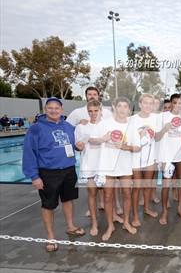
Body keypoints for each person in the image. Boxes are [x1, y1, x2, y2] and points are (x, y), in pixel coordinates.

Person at [22, 97, 85, 252]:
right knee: (48, 205)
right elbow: (29, 153)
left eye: (57, 108)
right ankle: (50, 236)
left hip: (69, 169)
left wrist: (78, 147)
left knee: (68, 199)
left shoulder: (68, 126)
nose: (54, 110)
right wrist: (34, 176)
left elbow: (71, 146)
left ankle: (70, 226)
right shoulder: (36, 129)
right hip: (48, 173)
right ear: (45, 110)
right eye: (50, 108)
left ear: (62, 110)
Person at [92, 97, 140, 241]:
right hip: (107, 166)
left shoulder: (131, 126)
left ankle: (125, 221)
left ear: (129, 109)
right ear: (114, 107)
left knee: (126, 194)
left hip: (124, 165)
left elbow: (137, 147)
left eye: (126, 107)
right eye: (120, 106)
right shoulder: (104, 123)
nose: (123, 109)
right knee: (107, 196)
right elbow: (92, 139)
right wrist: (103, 139)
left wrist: (124, 146)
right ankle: (110, 226)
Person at [130, 94, 161, 227]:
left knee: (148, 185)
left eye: (151, 103)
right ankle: (136, 216)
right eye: (146, 103)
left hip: (150, 159)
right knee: (136, 188)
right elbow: (128, 139)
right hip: (136, 160)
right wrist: (140, 134)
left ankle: (147, 208)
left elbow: (158, 137)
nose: (148, 106)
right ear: (140, 104)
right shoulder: (131, 120)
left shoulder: (156, 118)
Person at [158, 93, 181, 225]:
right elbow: (157, 136)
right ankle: (164, 212)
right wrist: (165, 129)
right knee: (166, 185)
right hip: (166, 157)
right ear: (170, 103)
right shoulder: (163, 116)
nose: (177, 105)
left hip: (180, 156)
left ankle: (180, 208)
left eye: (179, 103)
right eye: (174, 103)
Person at [74, 100, 103, 236]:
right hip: (90, 165)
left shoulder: (107, 125)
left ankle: (112, 218)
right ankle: (94, 224)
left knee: (109, 195)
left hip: (104, 165)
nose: (93, 114)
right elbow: (78, 146)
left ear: (100, 110)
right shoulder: (81, 127)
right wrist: (79, 146)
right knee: (92, 194)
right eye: (90, 111)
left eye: (96, 110)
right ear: (87, 111)